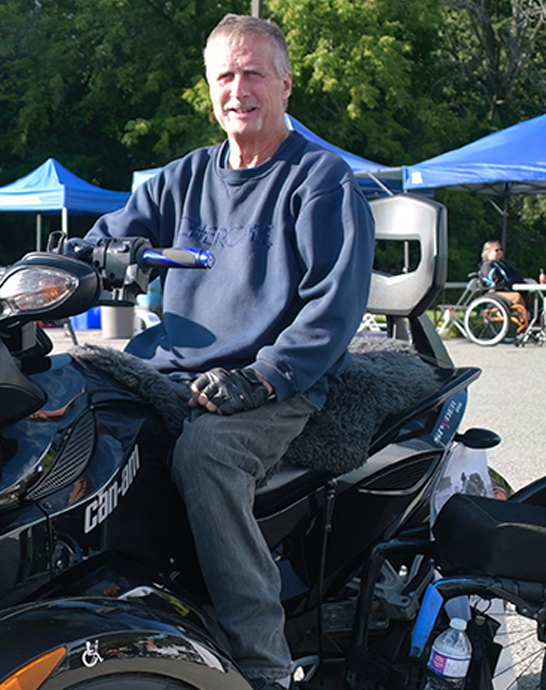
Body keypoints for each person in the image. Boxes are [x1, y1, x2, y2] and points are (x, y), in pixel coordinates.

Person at [82, 14, 375, 690]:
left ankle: (262, 663)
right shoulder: (181, 179)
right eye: (225, 76)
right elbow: (100, 242)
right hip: (170, 369)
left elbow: (333, 311)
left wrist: (264, 377)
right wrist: (72, 265)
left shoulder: (320, 180)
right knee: (66, 407)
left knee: (206, 455)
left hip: (278, 381)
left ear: (285, 85)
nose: (237, 90)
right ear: (209, 88)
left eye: (253, 74)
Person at [477, 240, 525, 305]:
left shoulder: (504, 265)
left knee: (527, 296)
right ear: (488, 252)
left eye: (501, 249)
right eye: (496, 250)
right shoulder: (487, 266)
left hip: (505, 290)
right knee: (517, 297)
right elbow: (495, 282)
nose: (500, 252)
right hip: (493, 293)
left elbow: (515, 276)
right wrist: (507, 286)